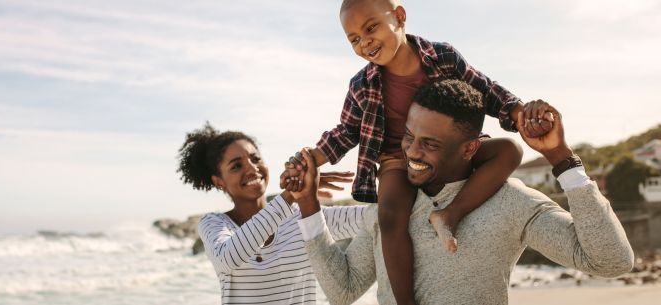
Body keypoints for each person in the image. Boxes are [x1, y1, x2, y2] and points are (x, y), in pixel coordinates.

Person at [283, 0, 555, 303]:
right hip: (398, 160)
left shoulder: (443, 57)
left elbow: (486, 90)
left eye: (370, 28)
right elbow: (346, 131)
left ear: (399, 17)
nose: (365, 42)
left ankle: (449, 214)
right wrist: (310, 158)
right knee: (389, 216)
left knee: (509, 150)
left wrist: (521, 113)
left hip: (448, 153)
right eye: (354, 39)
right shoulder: (361, 84)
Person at [289, 79, 634, 305]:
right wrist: (308, 206)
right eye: (408, 136)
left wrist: (560, 157)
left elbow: (611, 261)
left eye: (430, 144)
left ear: (470, 148)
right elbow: (343, 290)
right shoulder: (392, 206)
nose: (411, 152)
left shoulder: (509, 201)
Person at [176, 123, 366, 305]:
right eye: (236, 166)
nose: (252, 168)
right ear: (219, 181)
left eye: (255, 159)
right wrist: (291, 194)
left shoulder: (303, 216)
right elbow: (228, 257)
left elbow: (374, 219)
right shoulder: (214, 223)